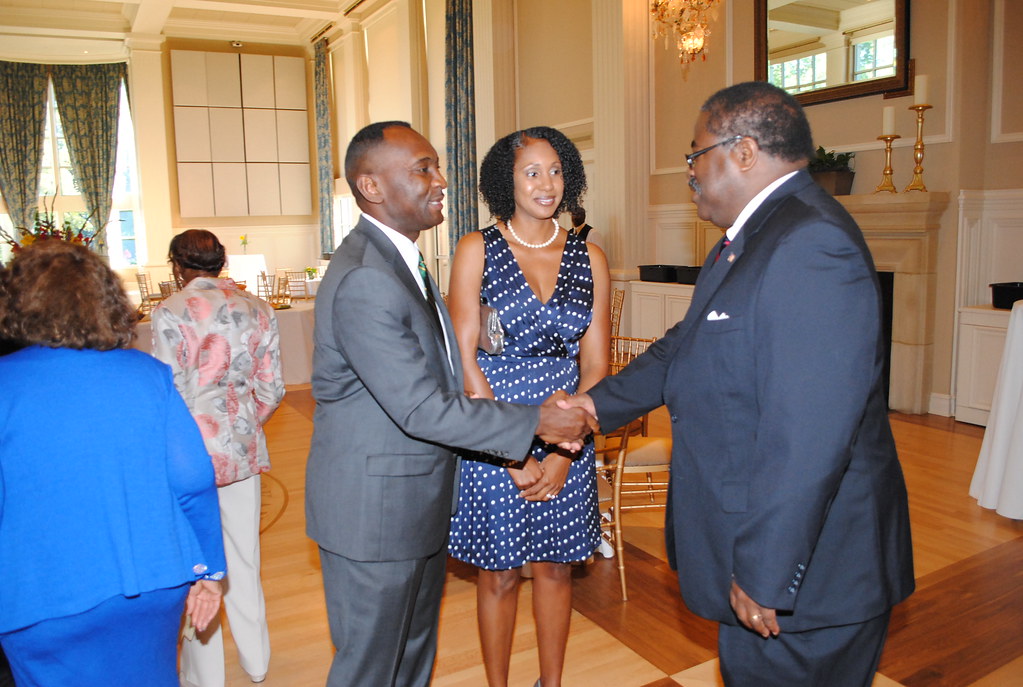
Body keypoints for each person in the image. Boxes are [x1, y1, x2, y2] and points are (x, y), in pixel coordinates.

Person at [560, 82, 915, 686]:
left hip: (809, 579)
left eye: (695, 154)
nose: (690, 172)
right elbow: (684, 346)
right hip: (764, 558)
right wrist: (591, 406)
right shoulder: (753, 238)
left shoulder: (810, 243)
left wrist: (766, 571)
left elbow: (809, 435)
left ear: (744, 152)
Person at [304, 121, 597, 687]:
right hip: (376, 514)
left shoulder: (401, 263)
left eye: (437, 166)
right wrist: (537, 425)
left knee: (409, 660)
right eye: (423, 169)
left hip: (410, 501)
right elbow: (422, 407)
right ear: (371, 186)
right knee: (372, 669)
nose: (441, 180)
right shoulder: (367, 276)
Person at [0, 240, 226, 687]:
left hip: (38, 595)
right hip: (150, 581)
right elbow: (192, 478)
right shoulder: (147, 375)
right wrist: (209, 570)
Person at [446, 126, 609, 687]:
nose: (547, 184)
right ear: (506, 181)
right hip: (493, 429)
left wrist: (567, 450)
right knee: (498, 576)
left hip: (570, 433)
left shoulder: (590, 256)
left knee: (556, 570)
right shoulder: (476, 248)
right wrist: (511, 452)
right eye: (531, 172)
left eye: (556, 171)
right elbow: (463, 358)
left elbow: (596, 365)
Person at [151, 229, 285, 686]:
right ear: (221, 261)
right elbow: (272, 388)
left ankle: (204, 676)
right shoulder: (258, 308)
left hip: (188, 456)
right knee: (244, 558)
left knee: (197, 565)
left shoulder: (170, 311)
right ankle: (257, 661)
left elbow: (170, 392)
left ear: (177, 265)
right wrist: (242, 426)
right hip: (241, 451)